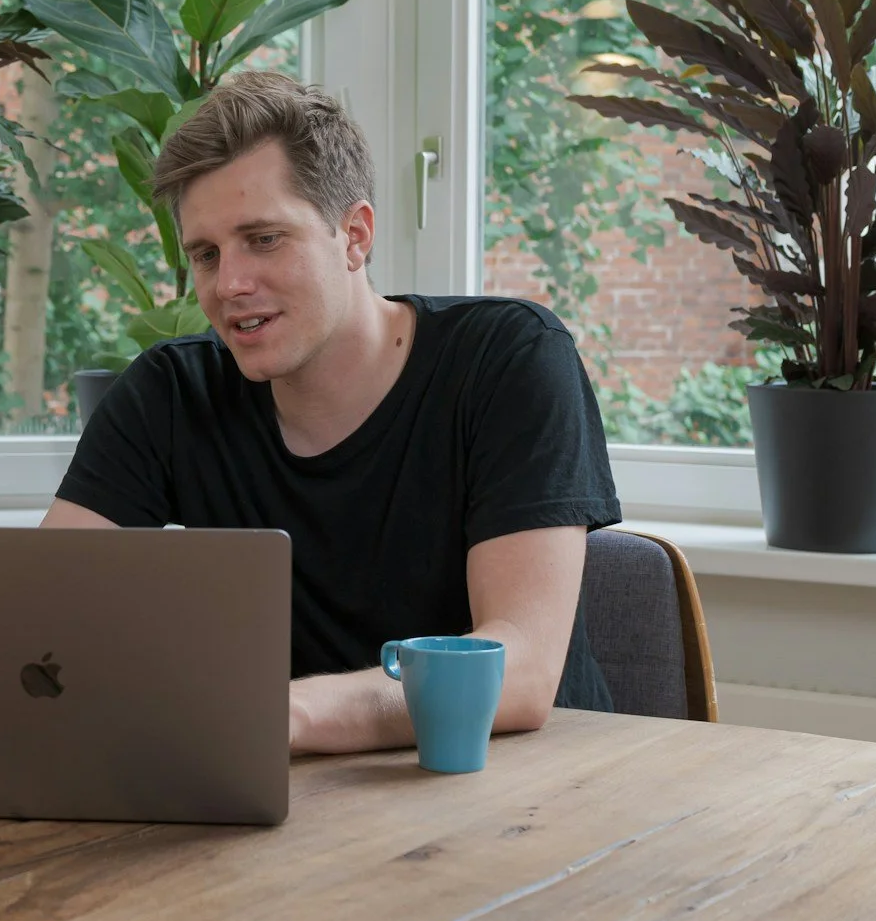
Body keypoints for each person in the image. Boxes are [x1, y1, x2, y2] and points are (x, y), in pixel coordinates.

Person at [43, 71, 620, 755]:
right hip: (294, 805)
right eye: (206, 253)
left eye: (263, 238)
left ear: (354, 234)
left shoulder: (509, 359)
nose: (229, 283)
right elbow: (39, 619)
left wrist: (290, 713)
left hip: (522, 796)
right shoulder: (169, 394)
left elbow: (519, 669)